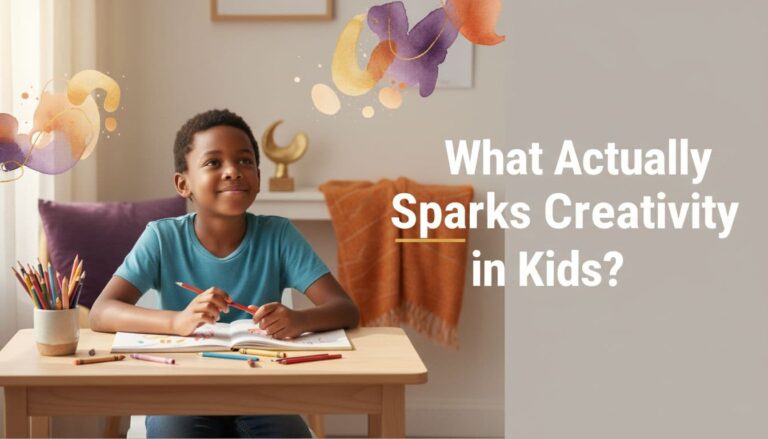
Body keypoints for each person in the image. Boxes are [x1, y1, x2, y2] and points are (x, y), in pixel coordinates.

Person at [90, 109, 360, 438]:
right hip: (183, 387)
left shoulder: (279, 235)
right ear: (183, 183)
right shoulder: (161, 237)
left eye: (244, 161)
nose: (233, 171)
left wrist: (299, 320)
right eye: (213, 162)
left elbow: (345, 309)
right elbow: (101, 312)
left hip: (262, 389)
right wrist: (177, 322)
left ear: (258, 176)